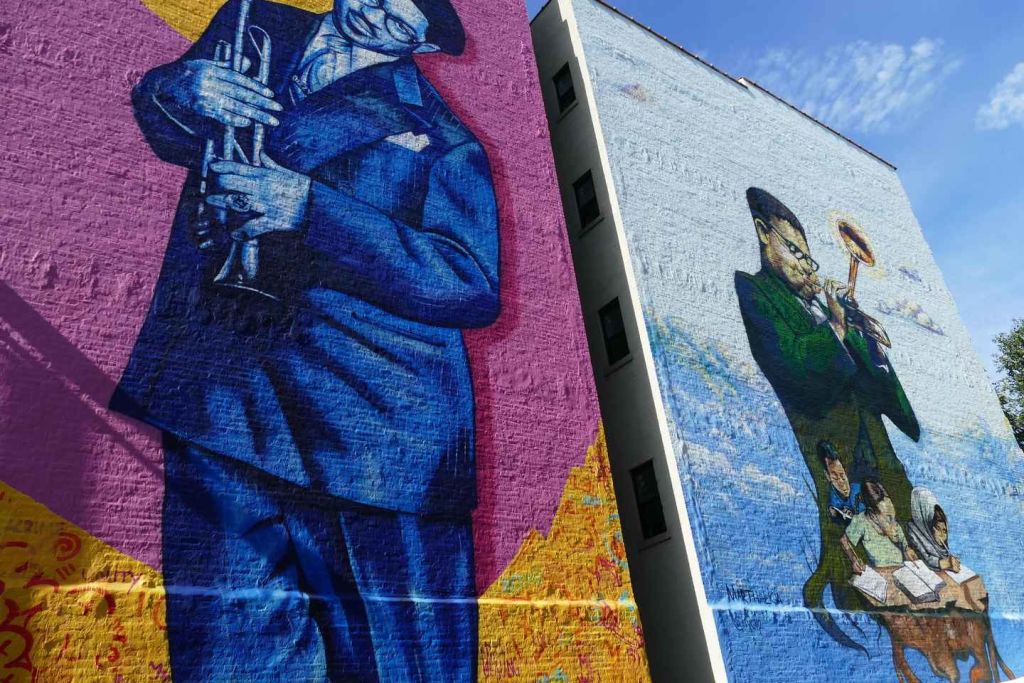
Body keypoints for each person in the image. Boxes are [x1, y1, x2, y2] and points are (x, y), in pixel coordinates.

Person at [110, 0, 500, 680]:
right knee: (227, 654)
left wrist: (310, 210)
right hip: (219, 402)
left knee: (397, 663)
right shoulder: (250, 24)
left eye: (400, 18)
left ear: (423, 43)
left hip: (376, 441)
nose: (376, 13)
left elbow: (470, 283)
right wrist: (176, 88)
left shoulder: (443, 138)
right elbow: (170, 129)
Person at [734, 188, 920, 649]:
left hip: (872, 440)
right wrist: (835, 327)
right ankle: (861, 601)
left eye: (808, 257)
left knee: (901, 514)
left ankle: (918, 599)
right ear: (763, 234)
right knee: (848, 528)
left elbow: (873, 376)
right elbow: (790, 364)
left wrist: (857, 329)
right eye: (795, 251)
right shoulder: (755, 291)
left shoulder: (820, 304)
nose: (805, 265)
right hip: (829, 443)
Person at [843, 481, 918, 573]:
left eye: (894, 518)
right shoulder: (861, 522)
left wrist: (907, 549)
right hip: (881, 574)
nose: (895, 526)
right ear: (873, 516)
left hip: (900, 571)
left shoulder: (894, 526)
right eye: (888, 519)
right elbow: (844, 541)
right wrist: (854, 559)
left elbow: (905, 545)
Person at [908, 487, 962, 572]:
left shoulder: (941, 544)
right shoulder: (913, 532)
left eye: (944, 531)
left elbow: (946, 555)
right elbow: (926, 559)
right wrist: (946, 563)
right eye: (938, 528)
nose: (942, 535)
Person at [819, 441, 863, 525]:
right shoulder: (834, 504)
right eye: (835, 478)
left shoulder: (858, 486)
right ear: (828, 476)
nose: (842, 483)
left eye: (842, 476)